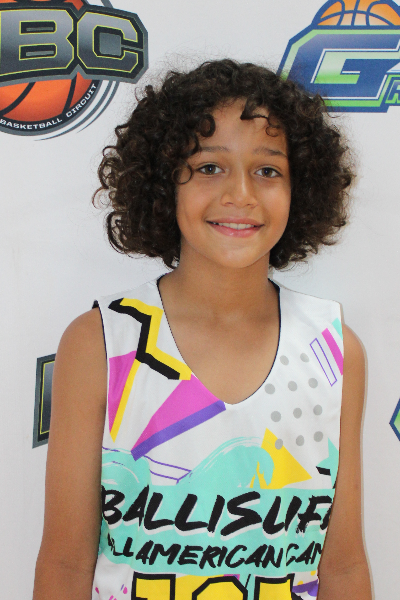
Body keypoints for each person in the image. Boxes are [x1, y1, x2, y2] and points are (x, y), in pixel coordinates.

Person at [33, 60, 372, 600]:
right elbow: (66, 564)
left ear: (302, 187)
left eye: (268, 170)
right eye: (210, 167)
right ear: (164, 180)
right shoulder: (102, 342)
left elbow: (345, 567)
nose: (240, 193)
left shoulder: (333, 350)